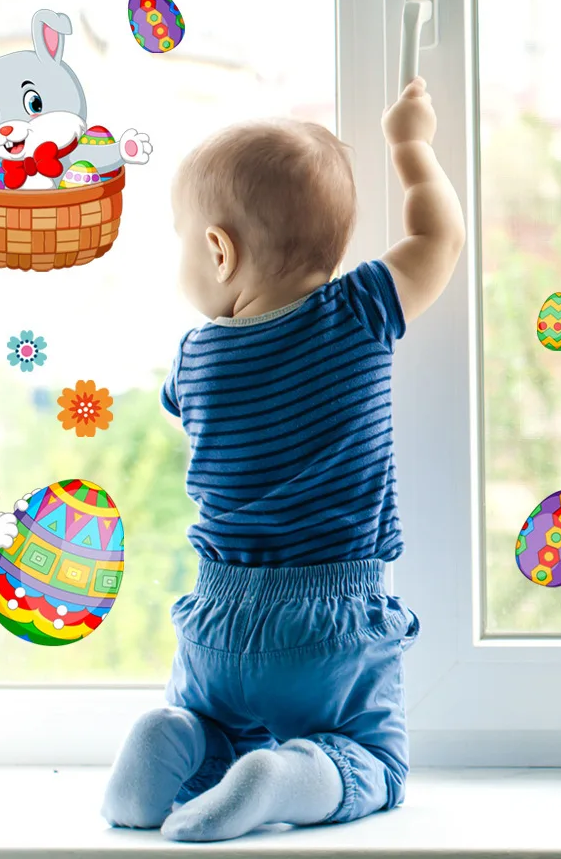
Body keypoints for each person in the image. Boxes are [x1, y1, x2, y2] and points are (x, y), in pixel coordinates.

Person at [102, 76, 464, 841]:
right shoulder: (361, 310)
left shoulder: (194, 360)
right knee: (373, 762)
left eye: (178, 238)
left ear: (218, 250)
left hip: (218, 620)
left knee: (218, 732)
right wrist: (410, 143)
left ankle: (172, 741)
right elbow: (440, 240)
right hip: (330, 623)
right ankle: (291, 775)